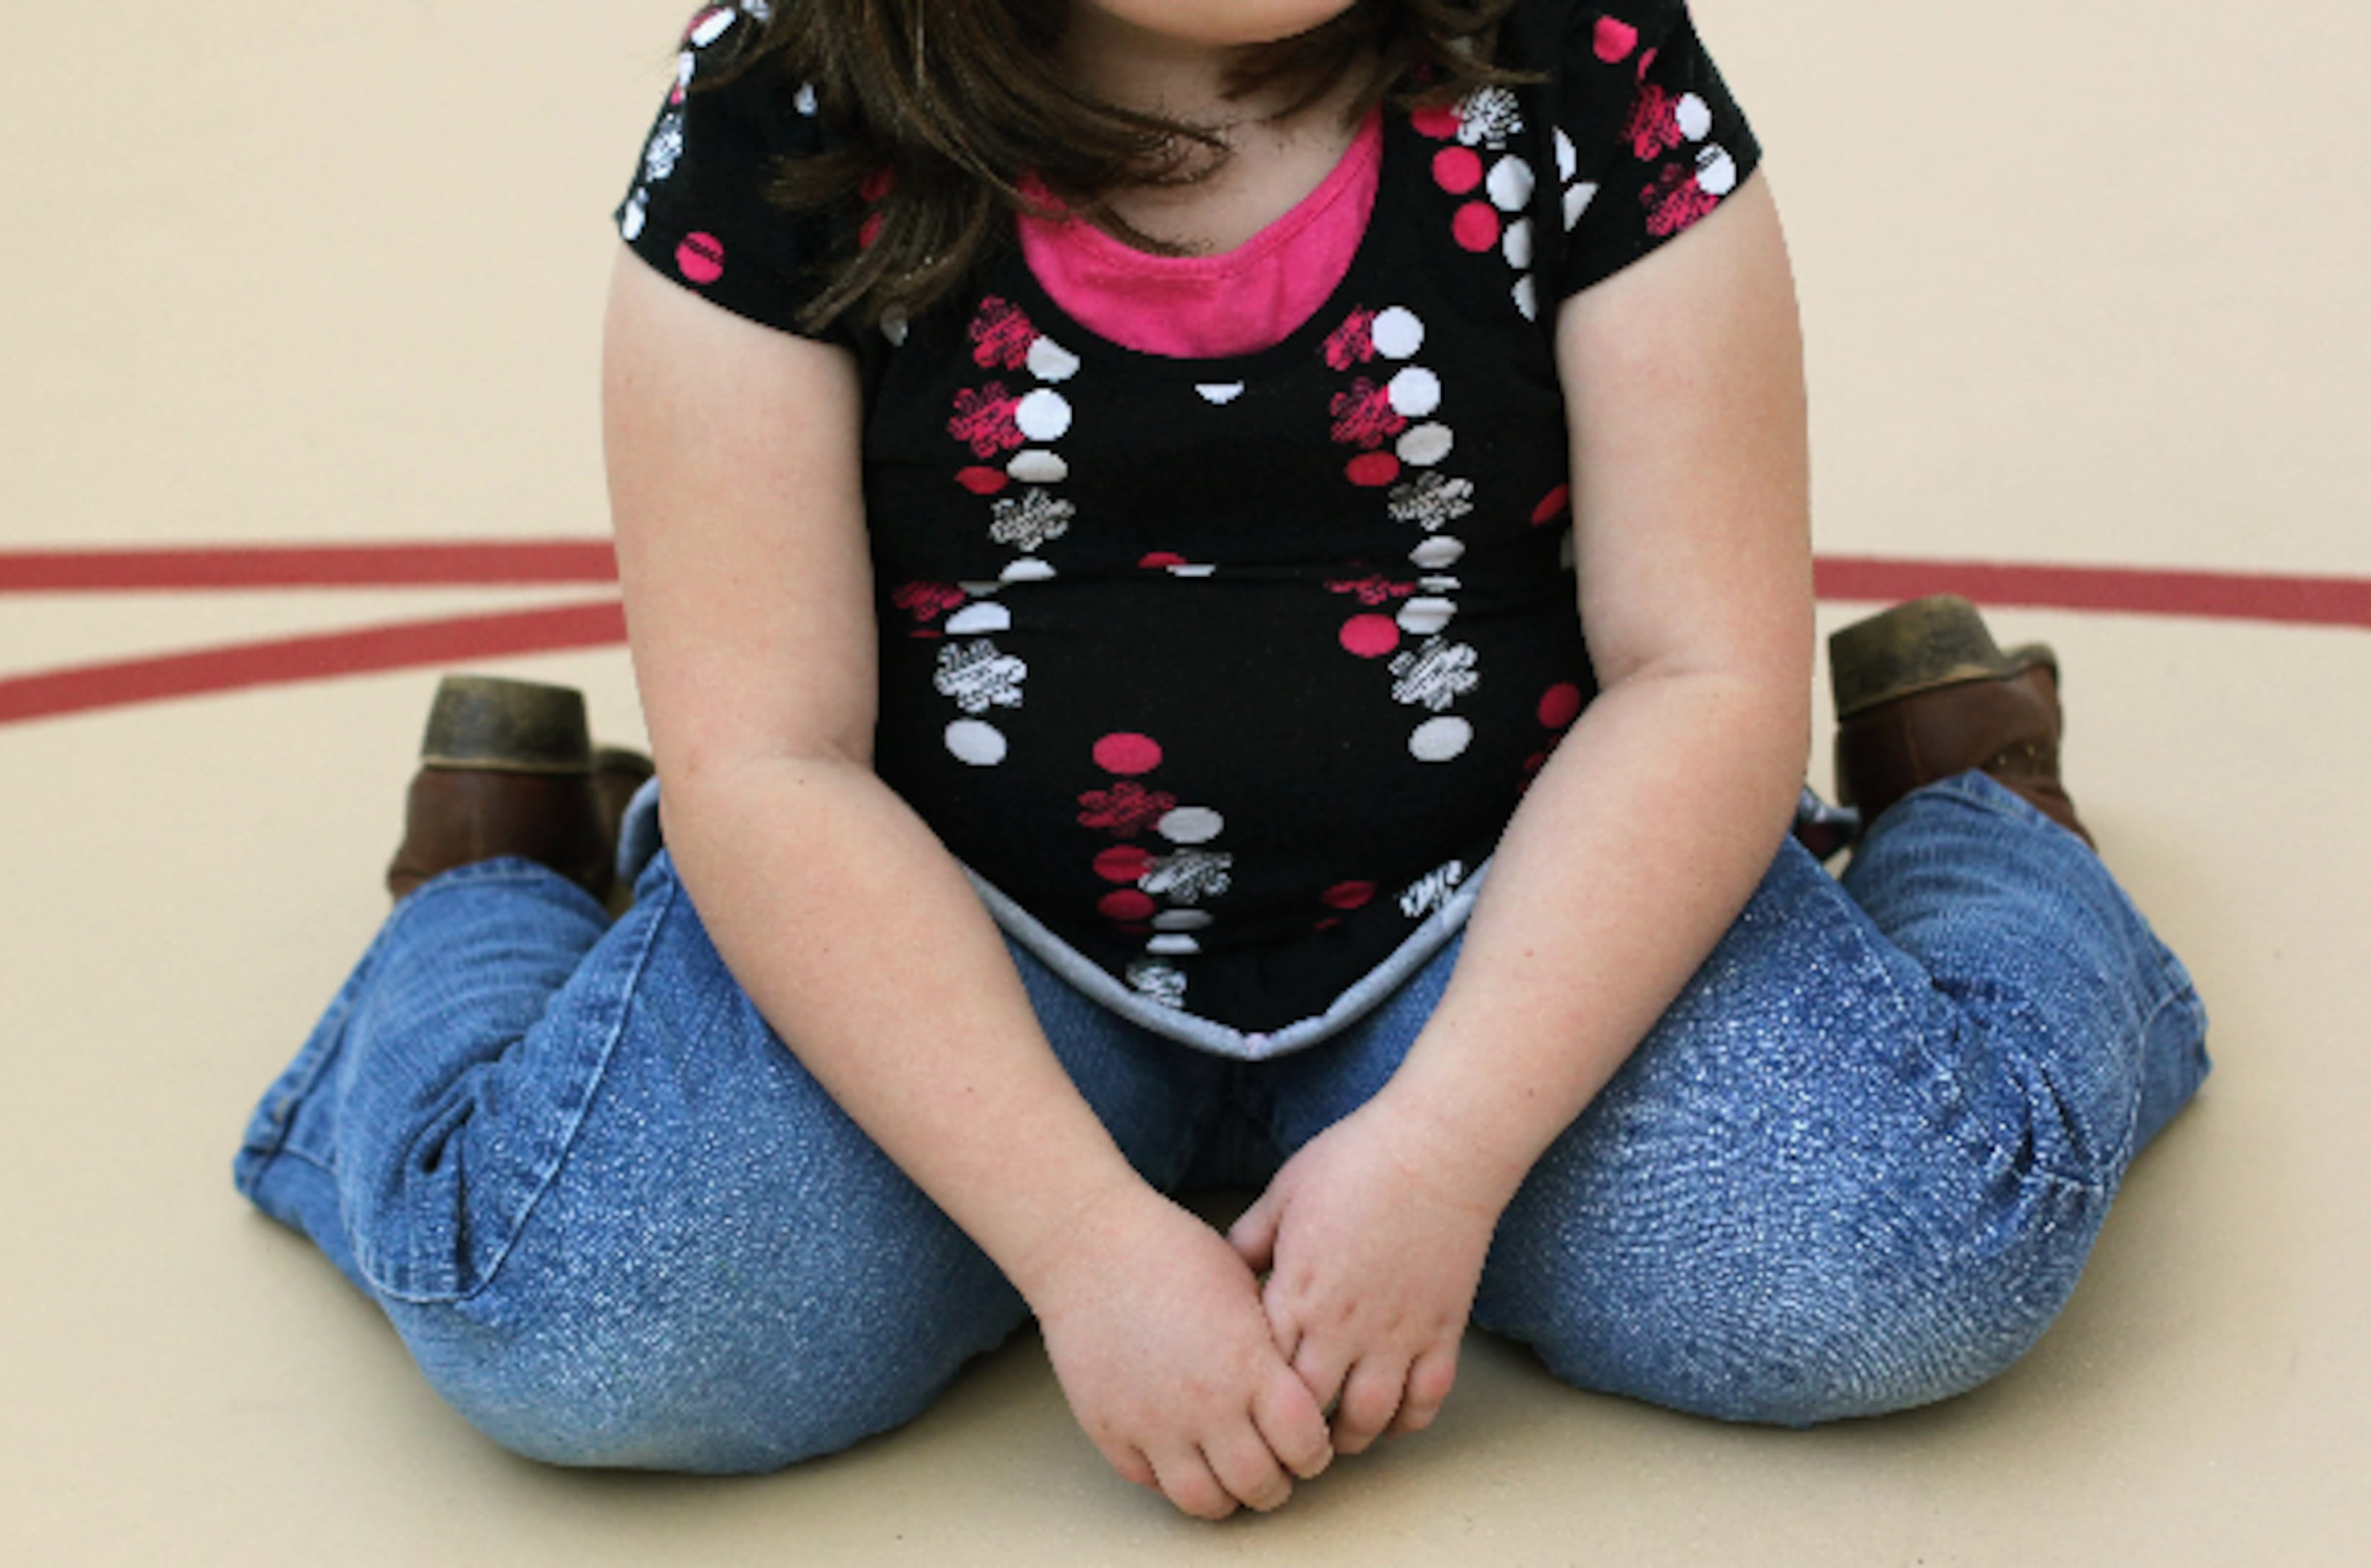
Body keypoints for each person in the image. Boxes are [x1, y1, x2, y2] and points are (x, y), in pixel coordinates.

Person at [234, 0, 2211, 1521]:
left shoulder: (1579, 60)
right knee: (586, 1328)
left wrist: (1447, 1148)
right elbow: (771, 756)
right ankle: (489, 901)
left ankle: (1976, 826)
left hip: (1497, 926)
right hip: (964, 941)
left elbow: (1699, 673)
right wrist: (1084, 1247)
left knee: (1916, 1253)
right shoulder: (786, 95)